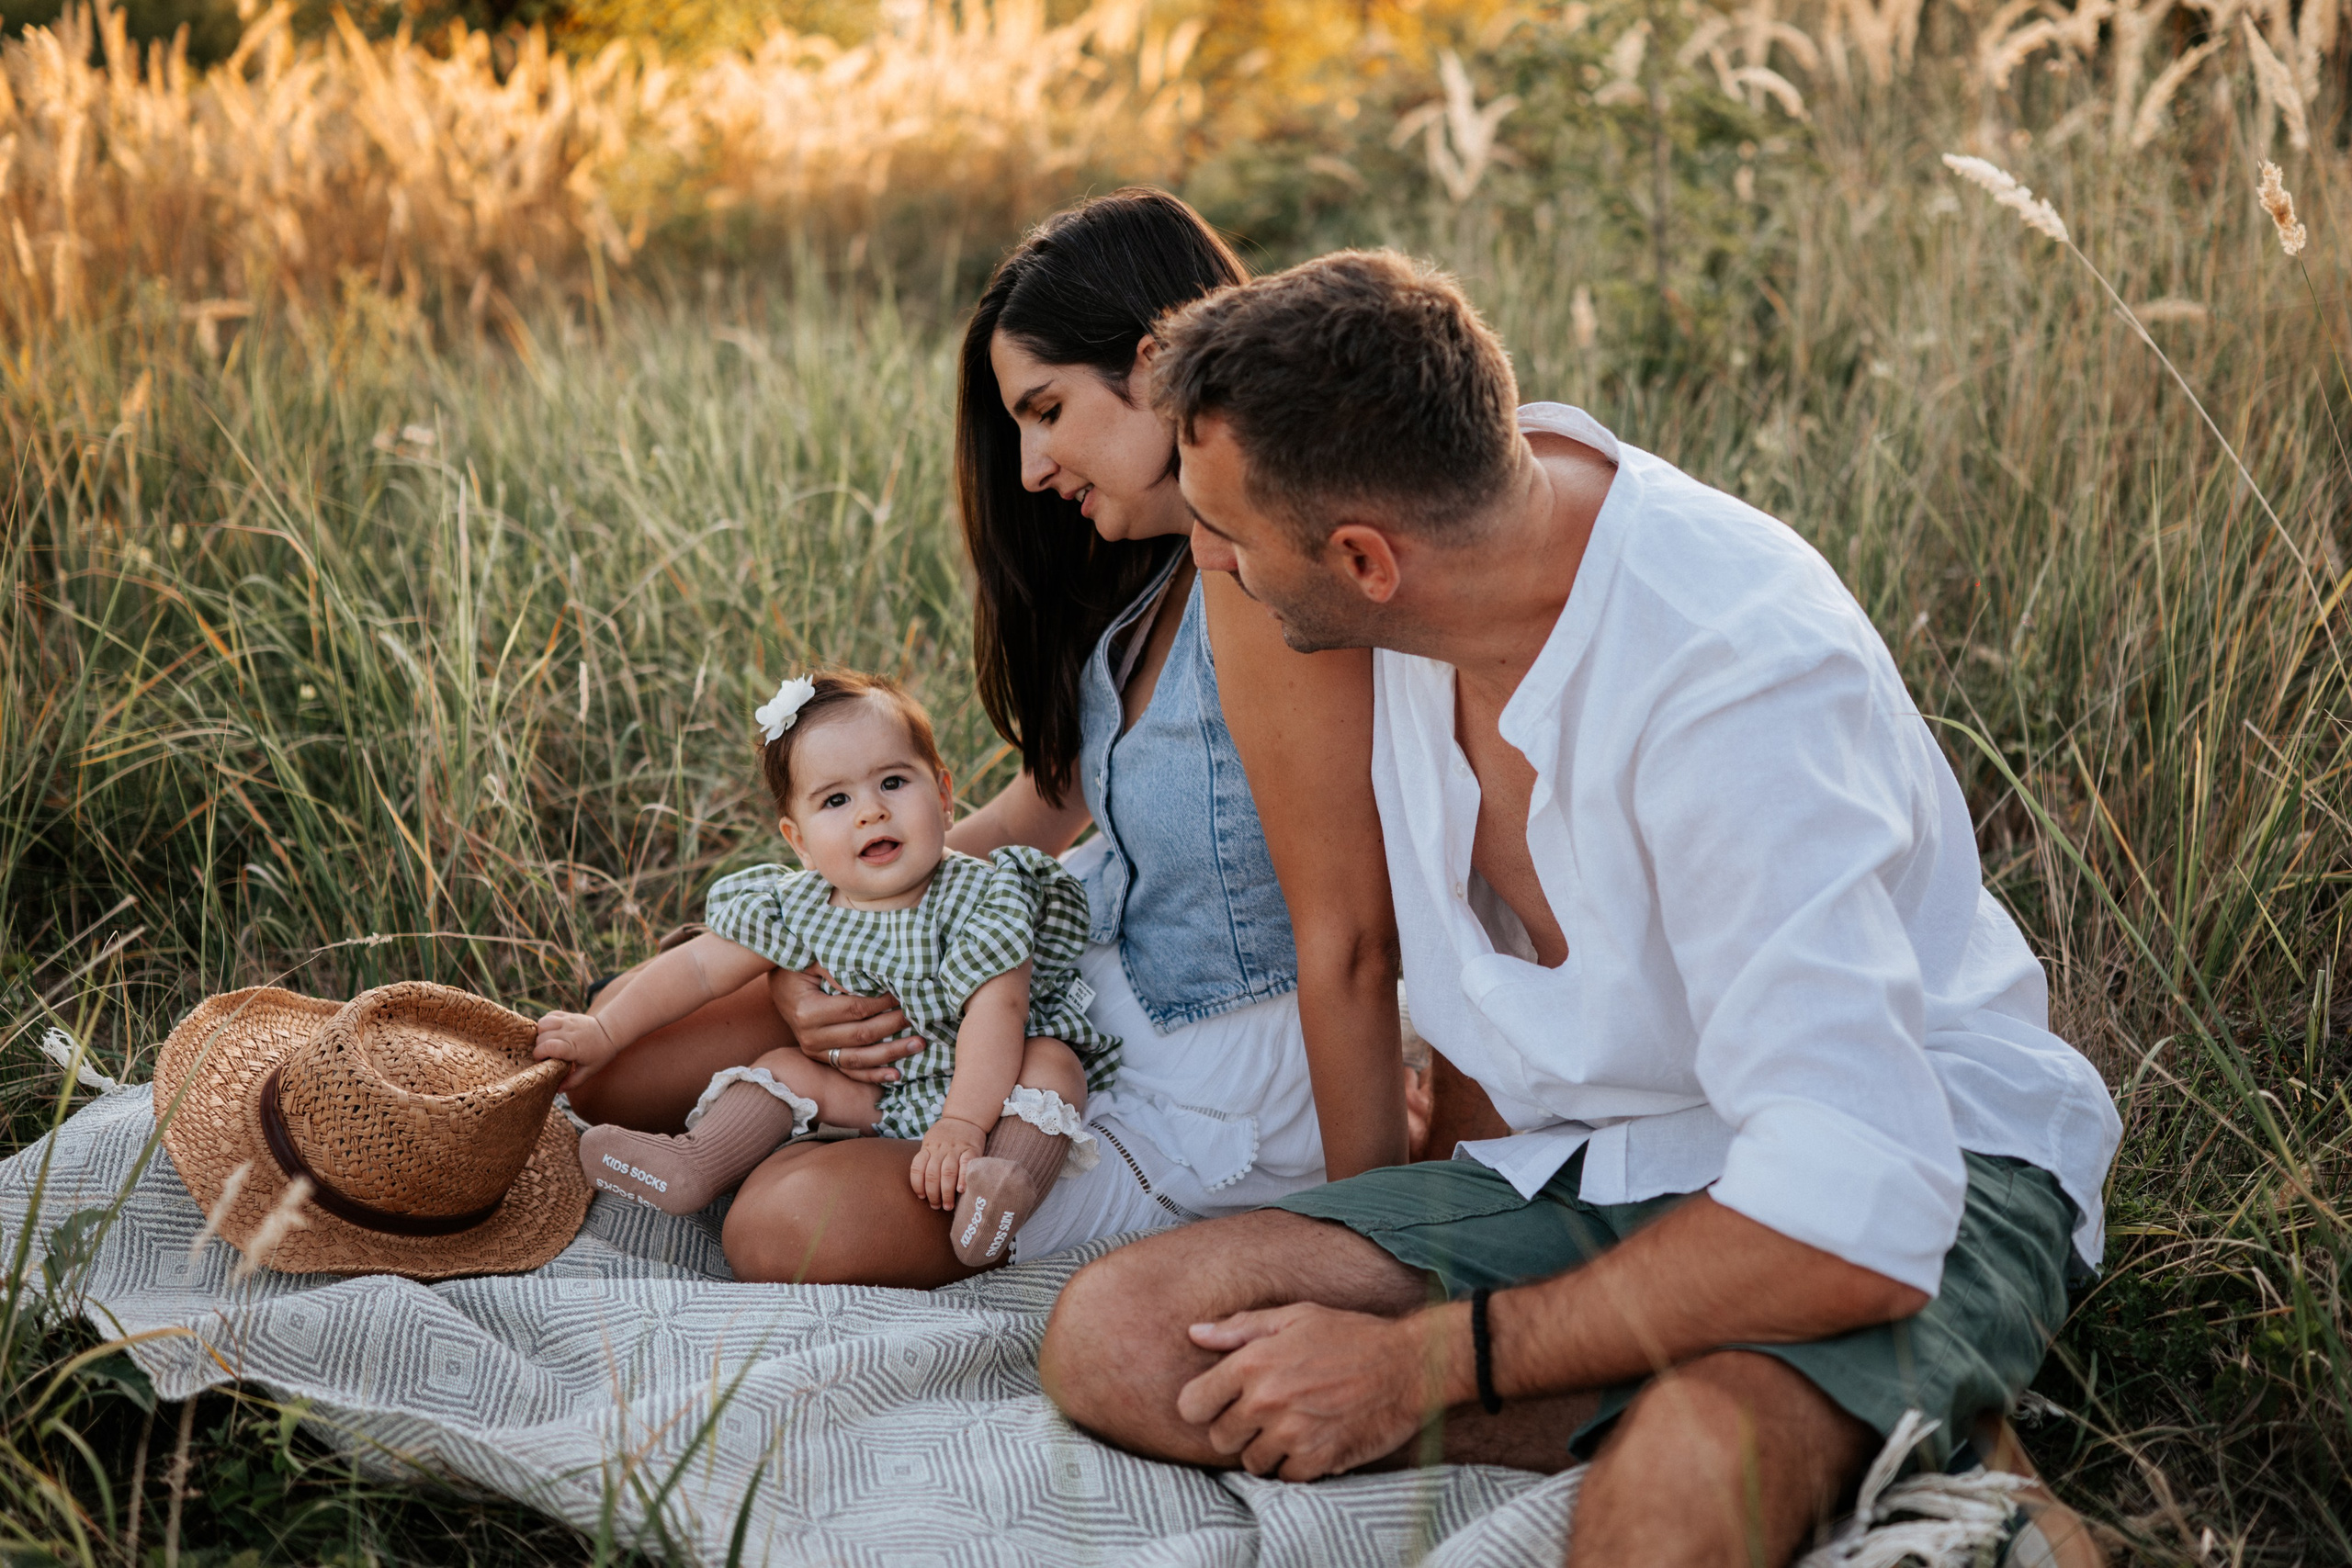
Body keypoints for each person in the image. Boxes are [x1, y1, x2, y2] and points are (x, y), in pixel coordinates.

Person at [1036, 252, 2124, 1568]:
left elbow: (1857, 1193)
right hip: (1603, 1161)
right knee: (1125, 1338)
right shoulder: (1440, 539)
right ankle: (1866, 1419)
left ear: (1365, 558)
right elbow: (1429, 977)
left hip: (1907, 1154)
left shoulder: (1738, 680)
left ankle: (1825, 1422)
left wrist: (1426, 1362)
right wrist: (1421, 1252)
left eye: (1226, 534)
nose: (1206, 557)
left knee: (1674, 1493)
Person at [563, 190, 1409, 1289]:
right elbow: (1039, 807)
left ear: (1155, 363)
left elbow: (1351, 940)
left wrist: (1372, 1241)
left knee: (783, 1224)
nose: (1029, 469)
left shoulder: (1261, 580)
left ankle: (952, 1157)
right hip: (1070, 969)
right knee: (619, 1059)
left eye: (1046, 410)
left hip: (1203, 1060)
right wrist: (822, 944)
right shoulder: (1150, 581)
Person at [536, 671, 1117, 1268]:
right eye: (836, 800)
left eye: (893, 782)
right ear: (799, 841)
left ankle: (1000, 1188)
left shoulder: (984, 896)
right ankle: (695, 1161)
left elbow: (1000, 1012)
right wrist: (604, 1032)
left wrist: (964, 1125)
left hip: (987, 1092)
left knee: (1054, 1064)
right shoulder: (801, 902)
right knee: (782, 1066)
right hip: (876, 1094)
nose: (871, 812)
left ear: (944, 795)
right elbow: (701, 967)